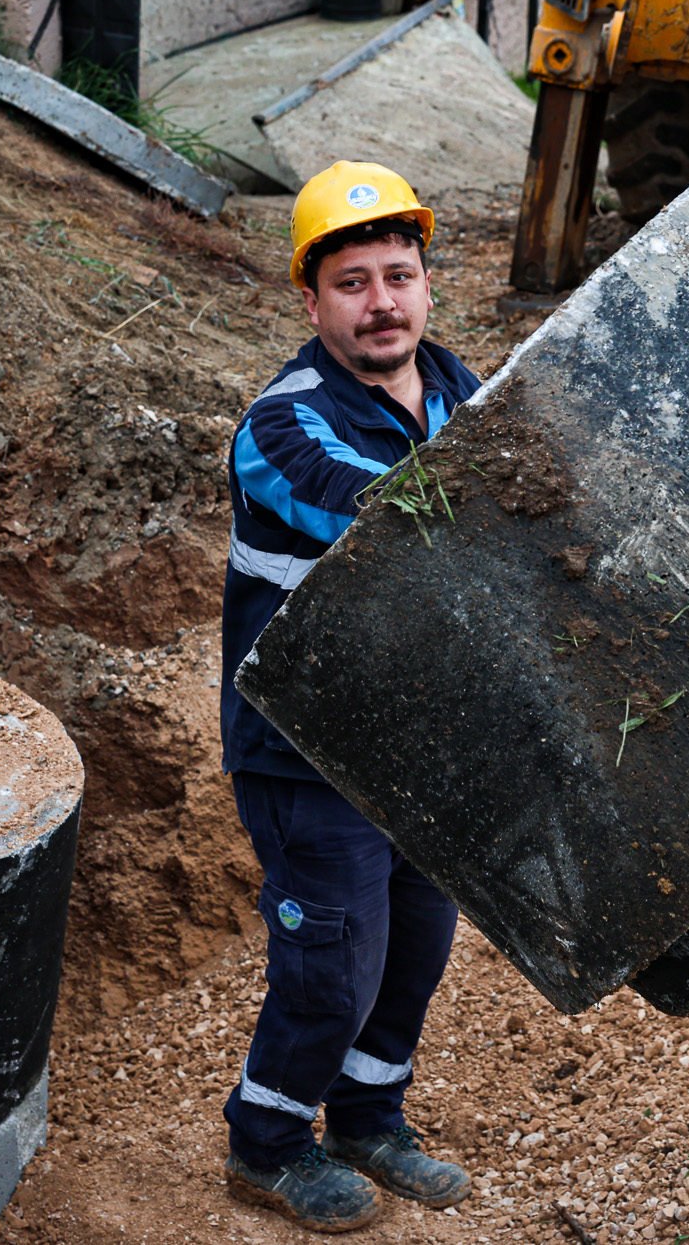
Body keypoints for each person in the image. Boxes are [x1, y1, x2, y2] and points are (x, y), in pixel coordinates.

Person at [218, 162, 483, 1232]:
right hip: (307, 750)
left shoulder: (465, 394)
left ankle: (369, 1120)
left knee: (415, 949)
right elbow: (377, 514)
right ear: (310, 300)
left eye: (399, 275)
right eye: (352, 282)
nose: (381, 302)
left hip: (423, 742)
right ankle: (267, 1143)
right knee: (333, 963)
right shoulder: (281, 427)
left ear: (425, 286)